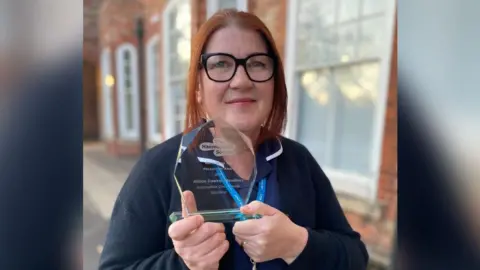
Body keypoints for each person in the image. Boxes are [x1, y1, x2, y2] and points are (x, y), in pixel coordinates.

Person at [99, 9, 368, 270]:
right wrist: (183, 264)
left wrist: (297, 244)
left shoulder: (298, 160)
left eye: (258, 63)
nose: (240, 80)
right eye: (220, 64)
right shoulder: (159, 167)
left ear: (275, 84)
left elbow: (356, 257)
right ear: (199, 89)